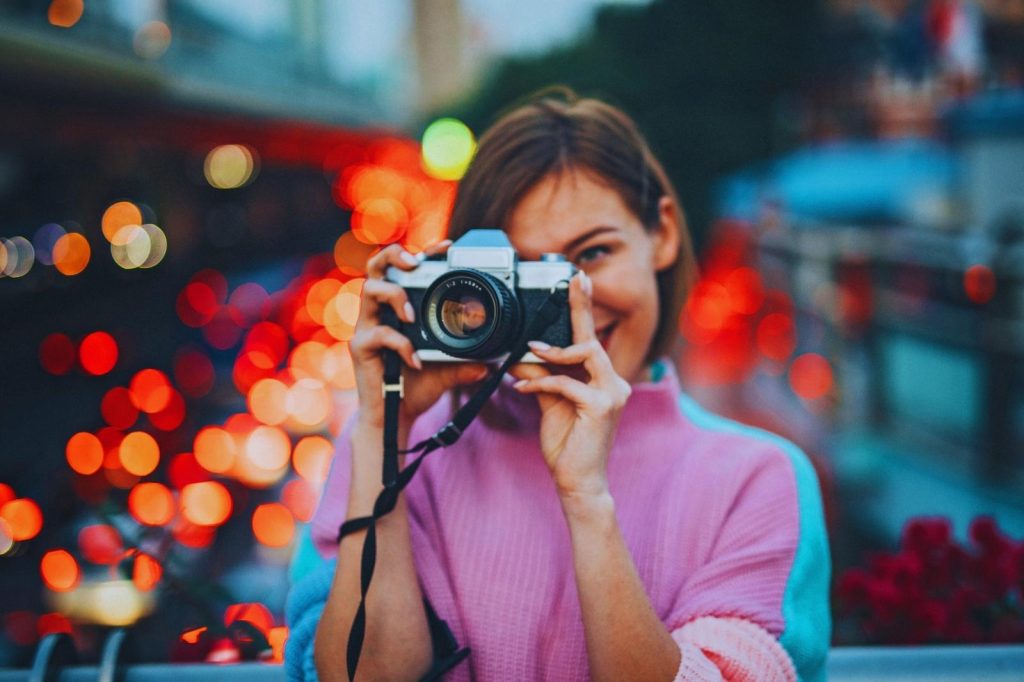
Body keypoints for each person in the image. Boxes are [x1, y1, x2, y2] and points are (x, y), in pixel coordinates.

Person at [285, 90, 830, 681]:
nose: (573, 302)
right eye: (524, 275)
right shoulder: (396, 448)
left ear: (663, 234)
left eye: (593, 253)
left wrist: (587, 499)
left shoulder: (757, 480)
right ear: (466, 289)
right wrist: (382, 435)